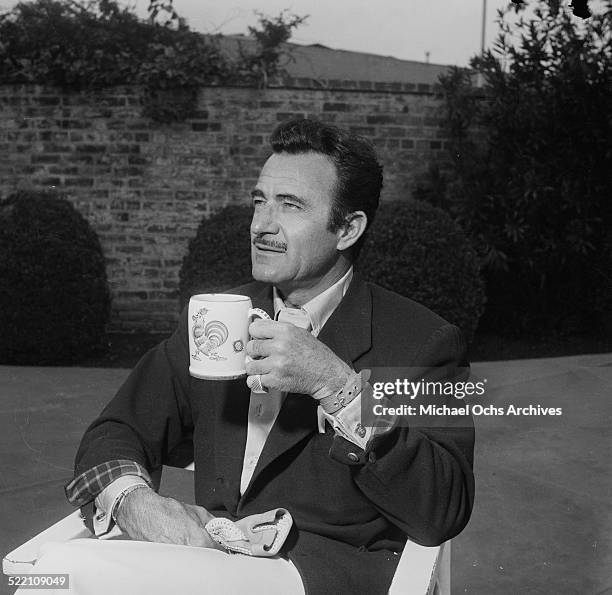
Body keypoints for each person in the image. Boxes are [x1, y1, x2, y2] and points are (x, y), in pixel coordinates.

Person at [29, 118, 474, 595]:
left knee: (61, 575)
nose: (261, 225)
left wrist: (339, 388)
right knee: (49, 576)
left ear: (347, 228)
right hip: (203, 565)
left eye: (290, 205)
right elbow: (117, 429)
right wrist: (135, 502)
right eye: (259, 201)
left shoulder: (424, 341)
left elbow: (443, 508)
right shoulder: (217, 318)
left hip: (320, 577)